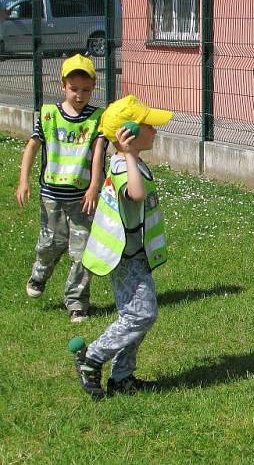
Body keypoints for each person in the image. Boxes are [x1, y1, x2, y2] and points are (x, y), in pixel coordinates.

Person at [73, 95, 173, 399]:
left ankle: (122, 377)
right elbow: (137, 194)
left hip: (133, 254)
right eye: (149, 125)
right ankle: (92, 358)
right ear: (127, 134)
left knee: (138, 314)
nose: (155, 130)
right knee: (140, 316)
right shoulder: (122, 165)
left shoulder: (130, 163)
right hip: (124, 257)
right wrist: (128, 154)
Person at [16, 54, 106, 323]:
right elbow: (32, 146)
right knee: (51, 243)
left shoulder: (96, 118)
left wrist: (94, 187)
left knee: (82, 251)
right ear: (63, 86)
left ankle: (77, 302)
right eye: (74, 89)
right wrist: (24, 181)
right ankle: (39, 273)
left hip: (82, 198)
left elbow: (98, 152)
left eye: (86, 90)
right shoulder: (48, 115)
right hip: (51, 196)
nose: (80, 95)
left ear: (93, 88)